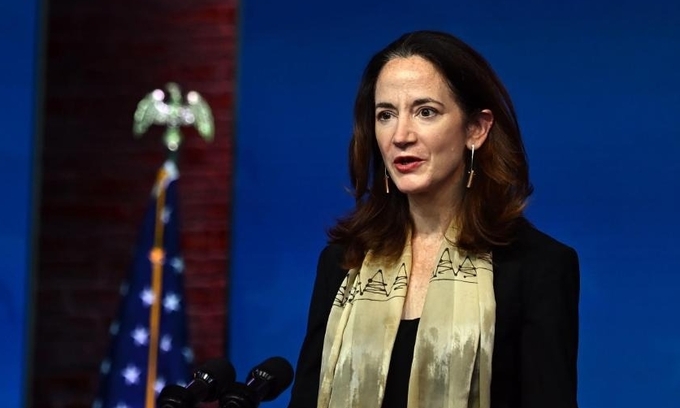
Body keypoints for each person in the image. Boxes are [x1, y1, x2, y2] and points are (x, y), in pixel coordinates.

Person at [288, 30, 580, 408]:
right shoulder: (343, 262)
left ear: (476, 129)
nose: (401, 135)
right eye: (386, 115)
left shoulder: (538, 266)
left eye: (425, 112)